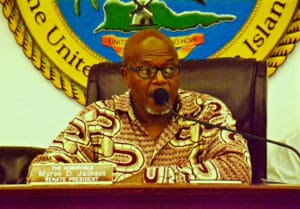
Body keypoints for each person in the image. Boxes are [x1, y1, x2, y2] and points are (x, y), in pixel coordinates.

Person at [28, 29, 251, 184]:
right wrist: (103, 184)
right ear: (126, 77)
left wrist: (149, 179)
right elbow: (41, 171)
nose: (161, 80)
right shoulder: (97, 119)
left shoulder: (207, 112)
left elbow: (239, 169)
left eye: (170, 69)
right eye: (146, 71)